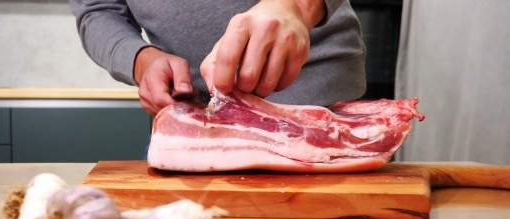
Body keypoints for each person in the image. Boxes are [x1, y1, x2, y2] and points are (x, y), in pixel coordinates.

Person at [69, 0, 366, 115]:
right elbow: (99, 10)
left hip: (320, 112)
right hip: (194, 119)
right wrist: (141, 59)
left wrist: (297, 8)